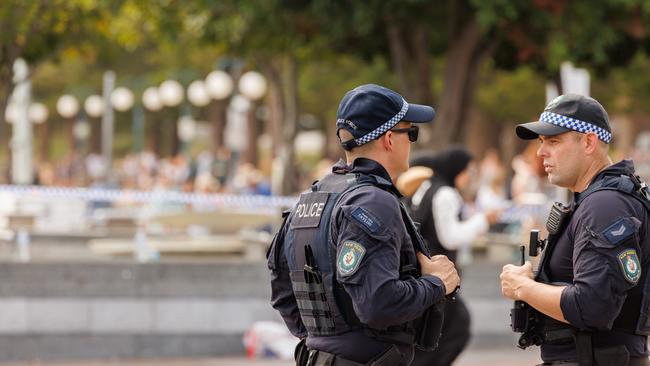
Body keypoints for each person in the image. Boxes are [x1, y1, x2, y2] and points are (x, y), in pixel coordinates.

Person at [267, 84, 460, 366]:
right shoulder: (373, 201)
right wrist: (436, 283)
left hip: (318, 356)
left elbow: (282, 292)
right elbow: (378, 304)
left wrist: (326, 339)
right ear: (389, 139)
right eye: (412, 133)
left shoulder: (312, 198)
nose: (412, 143)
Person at [499, 94, 650, 365]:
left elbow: (592, 306)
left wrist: (522, 287)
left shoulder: (606, 205)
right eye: (542, 142)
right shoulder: (598, 199)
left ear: (589, 142)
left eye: (553, 141)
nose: (540, 152)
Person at [408, 146, 501, 366]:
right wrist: (483, 221)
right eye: (467, 170)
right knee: (457, 328)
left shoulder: (429, 187)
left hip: (425, 276)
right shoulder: (445, 193)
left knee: (436, 332)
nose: (469, 176)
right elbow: (449, 236)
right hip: (439, 277)